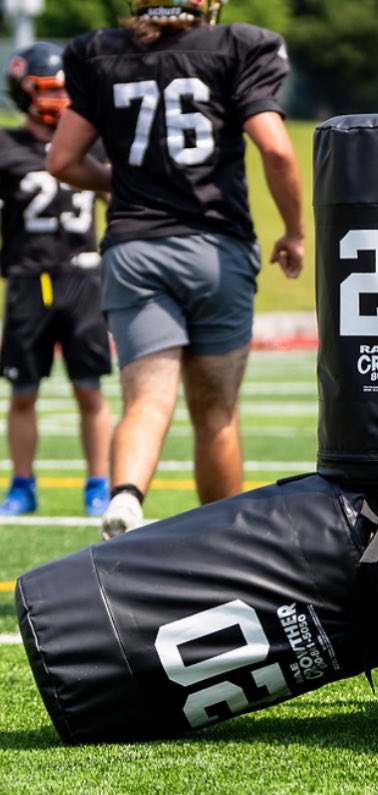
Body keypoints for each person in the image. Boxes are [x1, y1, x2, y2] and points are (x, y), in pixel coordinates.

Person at [47, 0, 304, 540]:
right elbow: (276, 151)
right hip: (216, 249)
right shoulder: (238, 46)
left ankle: (125, 496)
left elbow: (63, 161)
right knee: (215, 414)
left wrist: (123, 184)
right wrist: (294, 231)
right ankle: (225, 543)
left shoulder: (100, 55)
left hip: (136, 249)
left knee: (145, 400)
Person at [0, 42, 112, 518]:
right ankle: (22, 484)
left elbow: (120, 201)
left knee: (90, 388)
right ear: (23, 93)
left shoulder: (93, 139)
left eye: (61, 90)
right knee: (22, 391)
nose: (55, 100)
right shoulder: (6, 146)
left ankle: (99, 484)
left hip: (83, 274)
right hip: (27, 278)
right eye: (46, 91)